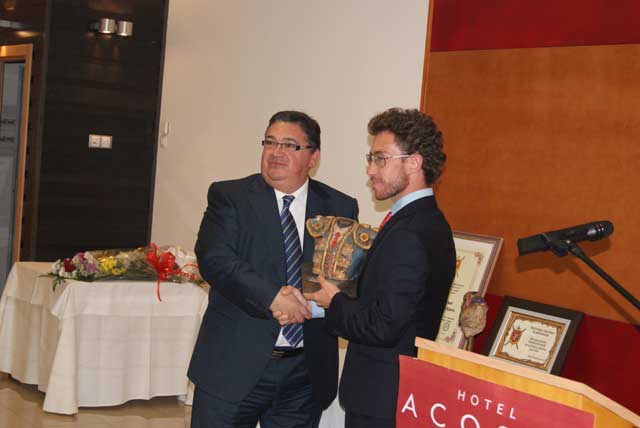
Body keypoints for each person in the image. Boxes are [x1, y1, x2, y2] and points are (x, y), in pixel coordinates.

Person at [188, 110, 359, 428]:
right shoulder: (231, 197)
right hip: (233, 366)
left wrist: (312, 306)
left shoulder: (339, 206)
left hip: (304, 375)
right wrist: (272, 298)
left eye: (290, 145)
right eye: (270, 142)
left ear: (313, 157)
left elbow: (340, 279)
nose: (276, 152)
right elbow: (216, 259)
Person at [304, 108, 456, 428]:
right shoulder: (426, 221)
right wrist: (317, 302)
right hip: (395, 395)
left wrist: (335, 302)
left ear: (414, 162)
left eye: (380, 158)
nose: (370, 170)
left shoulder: (409, 232)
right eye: (370, 158)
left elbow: (382, 325)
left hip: (384, 401)